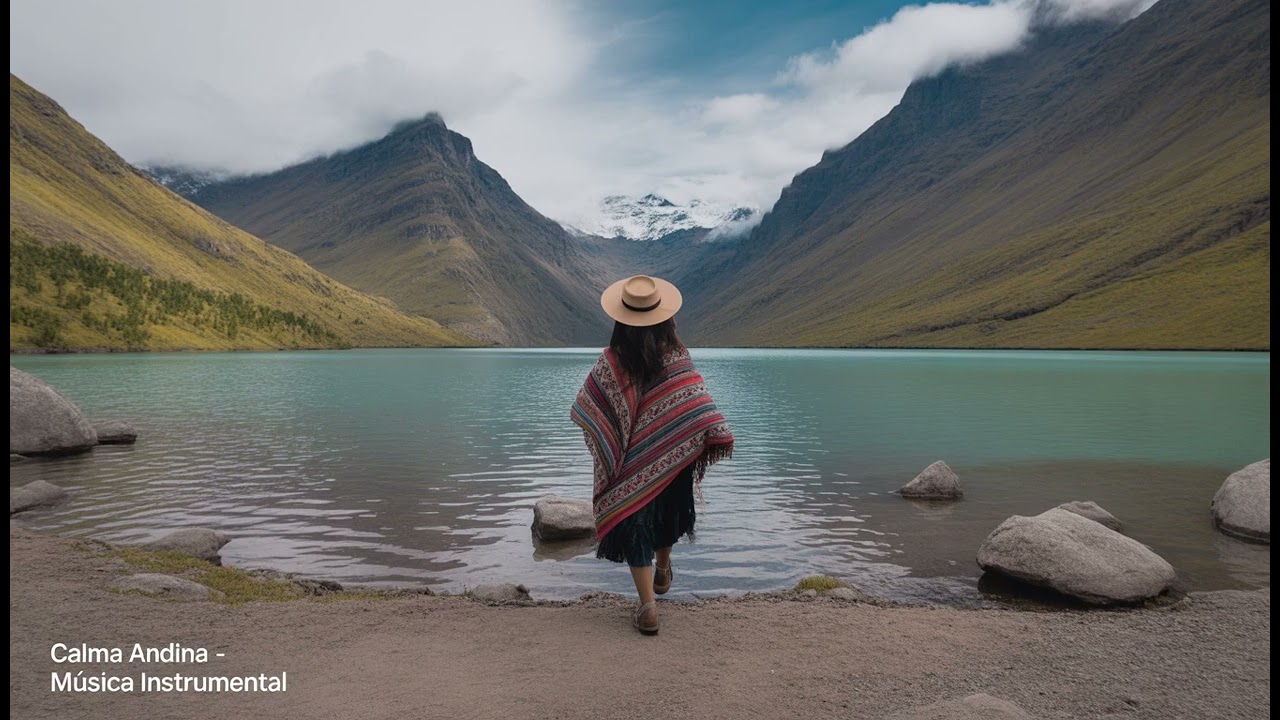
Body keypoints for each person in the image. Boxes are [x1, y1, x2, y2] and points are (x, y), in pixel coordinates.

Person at [571, 274, 734, 635]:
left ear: (621, 319)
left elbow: (587, 406)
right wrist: (684, 437)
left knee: (638, 525)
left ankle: (648, 607)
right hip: (674, 456)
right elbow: (695, 402)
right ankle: (663, 568)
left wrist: (614, 444)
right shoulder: (677, 356)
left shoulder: (610, 363)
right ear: (665, 318)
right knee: (669, 511)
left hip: (629, 467)